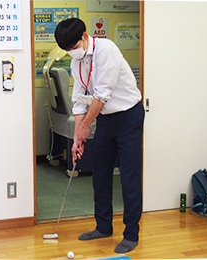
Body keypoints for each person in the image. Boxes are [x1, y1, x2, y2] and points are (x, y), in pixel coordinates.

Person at [54, 18, 144, 253]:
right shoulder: (77, 62)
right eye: (67, 50)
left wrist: (86, 128)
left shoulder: (106, 51)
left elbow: (102, 95)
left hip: (128, 117)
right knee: (100, 172)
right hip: (104, 118)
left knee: (129, 177)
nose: (71, 52)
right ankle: (103, 226)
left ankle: (131, 234)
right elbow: (79, 100)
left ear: (84, 36)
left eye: (73, 47)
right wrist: (76, 138)